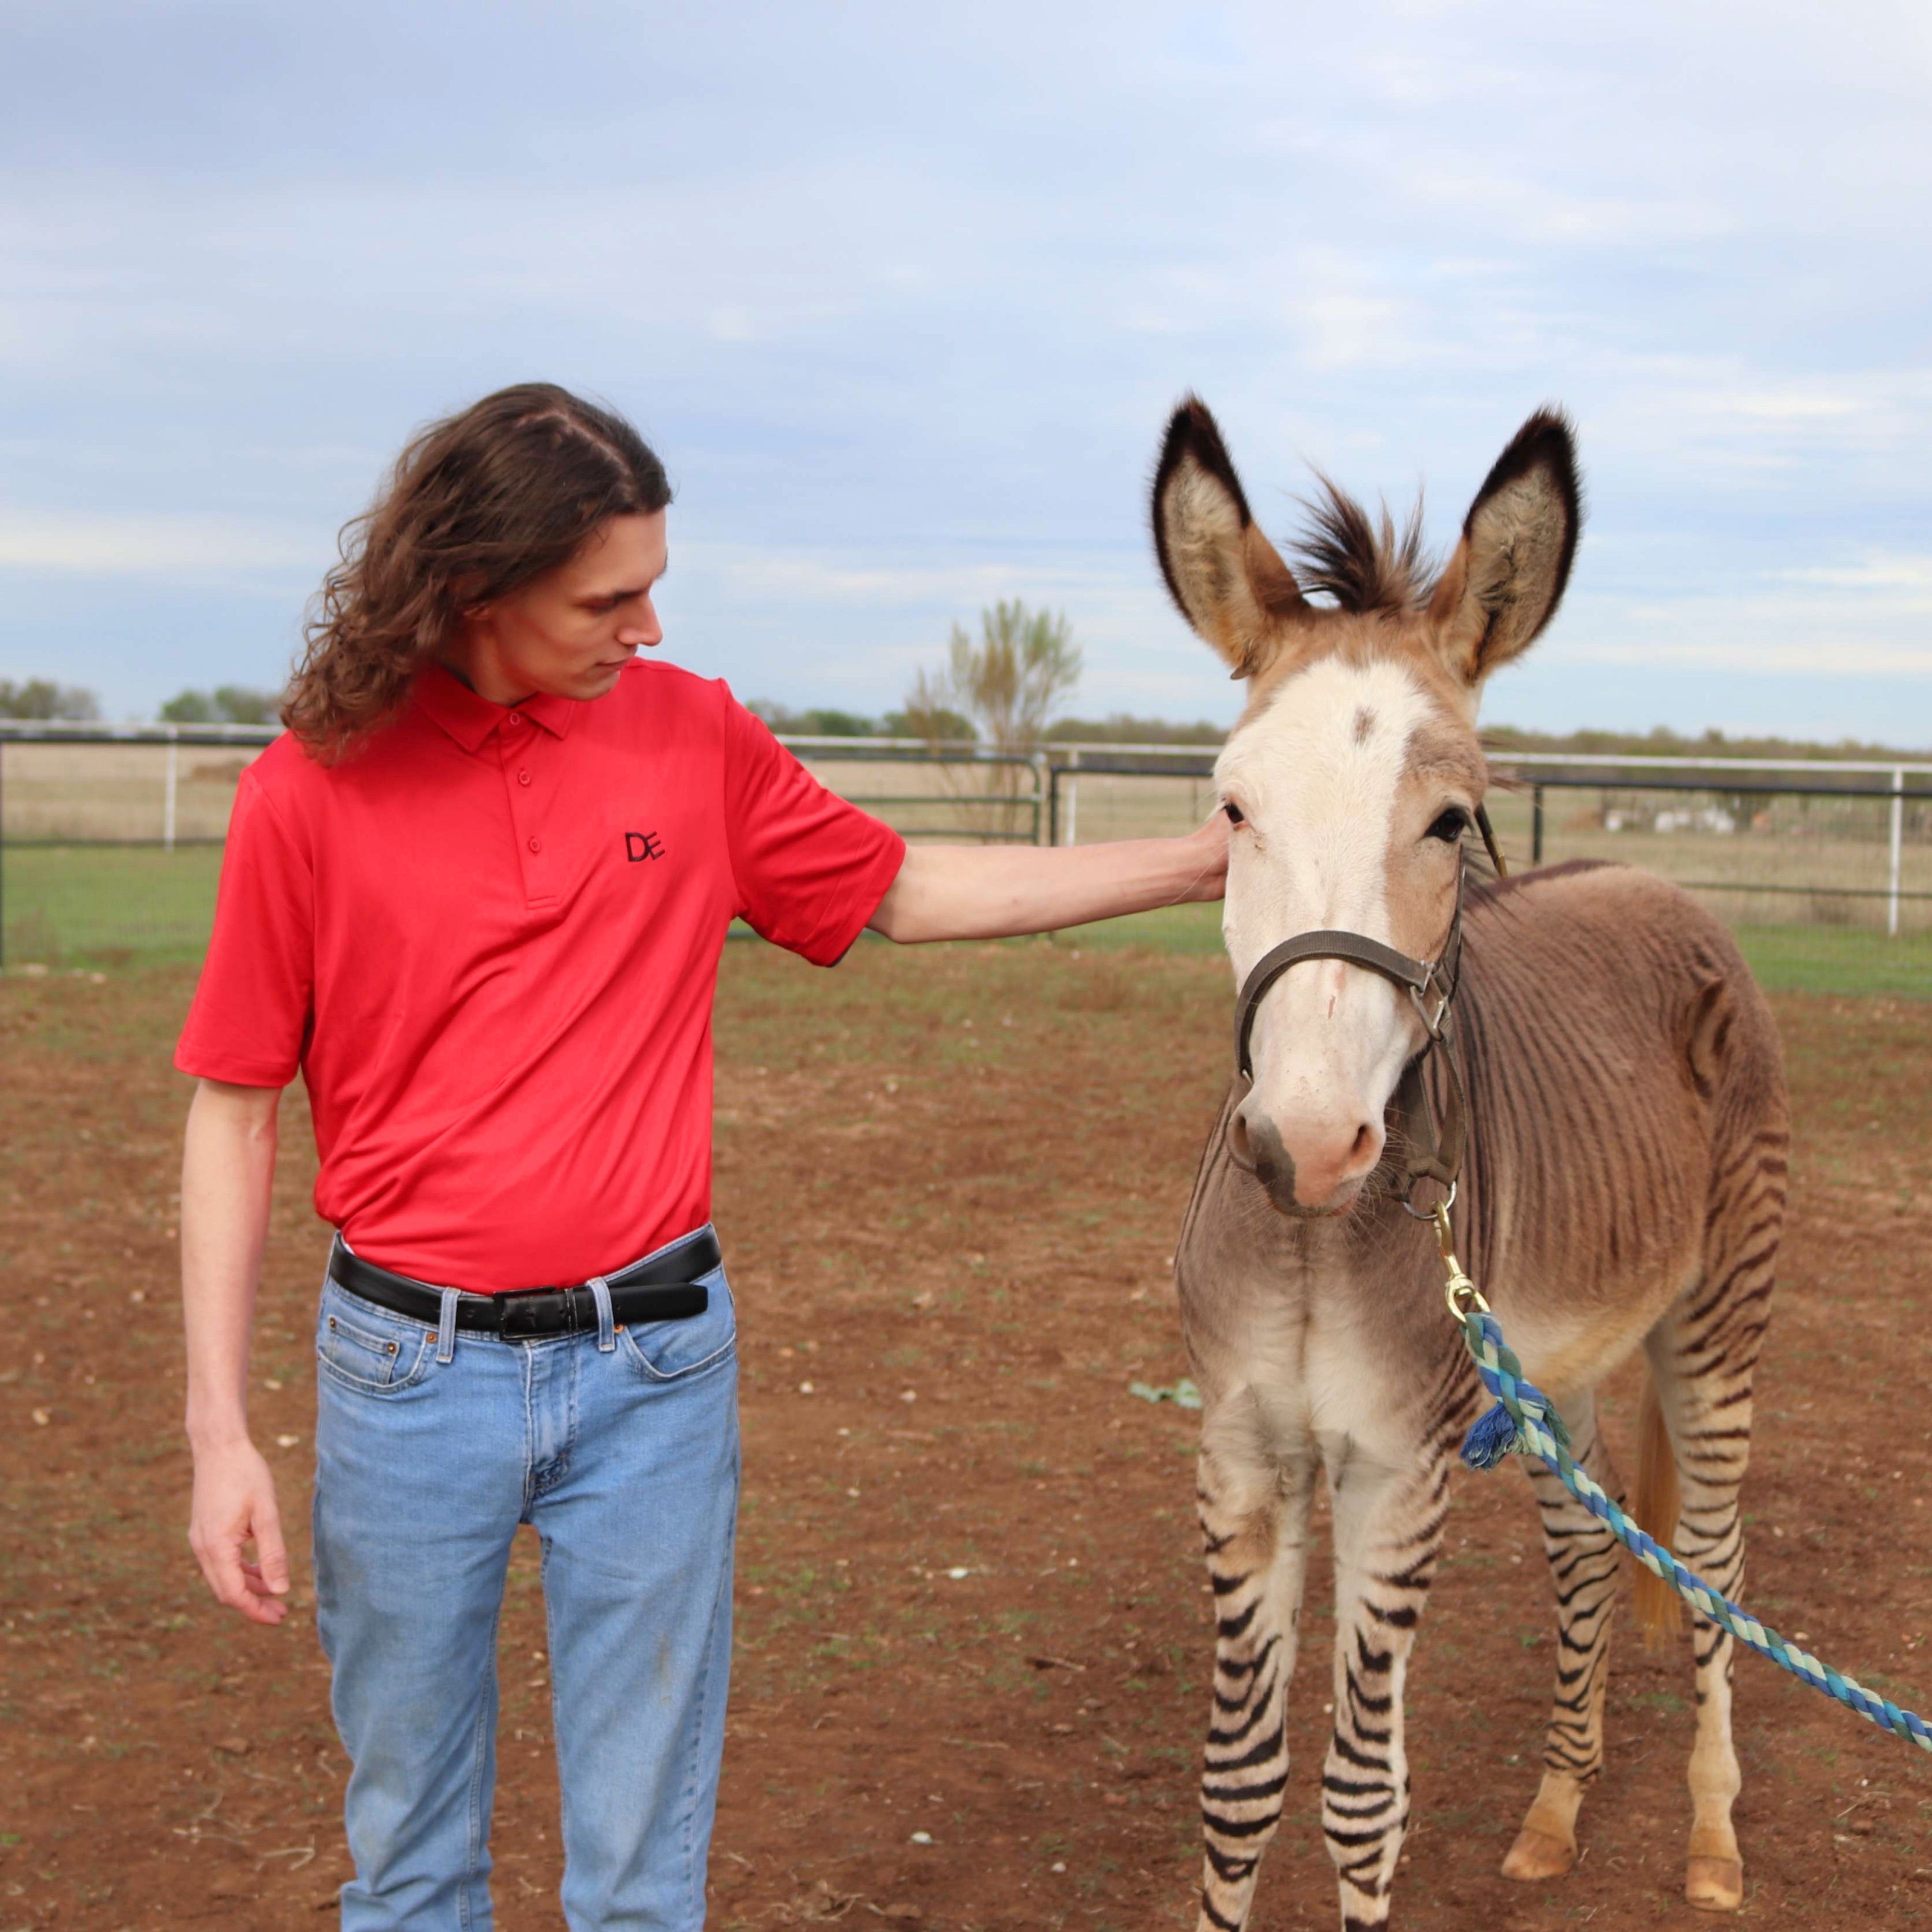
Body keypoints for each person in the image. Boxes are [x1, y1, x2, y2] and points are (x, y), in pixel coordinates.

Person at [177, 383, 1227, 1932]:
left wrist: (1207, 857)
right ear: (476, 587)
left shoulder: (693, 738)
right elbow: (234, 1108)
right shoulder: (307, 787)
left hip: (655, 1375)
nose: (648, 625)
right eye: (610, 595)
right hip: (405, 1382)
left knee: (641, 1889)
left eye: (654, 581)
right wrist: (217, 1433)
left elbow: (904, 888)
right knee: (407, 1869)